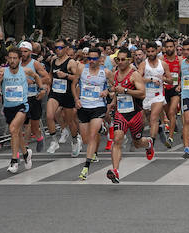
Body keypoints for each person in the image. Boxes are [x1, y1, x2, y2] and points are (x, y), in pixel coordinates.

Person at [109, 47, 155, 182]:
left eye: (123, 59)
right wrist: (113, 102)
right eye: (118, 59)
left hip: (135, 114)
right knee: (117, 139)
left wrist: (125, 90)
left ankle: (148, 143)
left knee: (137, 143)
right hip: (120, 113)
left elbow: (142, 93)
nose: (120, 62)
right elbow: (117, 91)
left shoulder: (134, 75)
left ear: (129, 60)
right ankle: (115, 171)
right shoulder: (115, 74)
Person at [0, 49, 42, 173]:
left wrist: (41, 89)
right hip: (8, 107)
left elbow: (37, 76)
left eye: (15, 58)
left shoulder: (26, 71)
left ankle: (14, 161)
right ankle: (26, 153)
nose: (12, 60)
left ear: (19, 59)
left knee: (13, 129)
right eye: (10, 58)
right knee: (17, 133)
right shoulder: (2, 71)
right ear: (7, 59)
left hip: (22, 106)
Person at [73, 46, 112, 180]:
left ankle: (86, 168)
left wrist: (107, 91)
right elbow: (74, 85)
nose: (91, 61)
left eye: (94, 59)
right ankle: (101, 128)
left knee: (91, 137)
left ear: (100, 59)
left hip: (98, 107)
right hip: (83, 106)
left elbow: (114, 87)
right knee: (85, 140)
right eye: (89, 58)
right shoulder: (81, 69)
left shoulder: (106, 72)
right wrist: (76, 99)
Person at [46, 39, 81, 155]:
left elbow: (77, 78)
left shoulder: (71, 62)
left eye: (60, 48)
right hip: (55, 93)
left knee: (70, 121)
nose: (57, 50)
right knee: (49, 115)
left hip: (67, 94)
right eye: (56, 48)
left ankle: (75, 140)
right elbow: (50, 75)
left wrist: (66, 75)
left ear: (66, 49)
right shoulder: (54, 61)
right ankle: (54, 141)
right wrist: (47, 85)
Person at [19, 41, 50, 152]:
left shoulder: (35, 63)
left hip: (33, 97)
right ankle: (25, 146)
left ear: (30, 52)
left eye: (25, 51)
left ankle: (39, 137)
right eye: (21, 51)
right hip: (20, 98)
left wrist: (33, 81)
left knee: (34, 126)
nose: (23, 54)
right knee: (24, 123)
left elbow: (47, 78)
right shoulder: (15, 63)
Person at [142, 42, 172, 147]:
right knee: (150, 120)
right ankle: (159, 129)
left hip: (158, 96)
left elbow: (171, 80)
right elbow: (137, 79)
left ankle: (151, 145)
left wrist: (164, 78)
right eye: (148, 51)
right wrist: (150, 79)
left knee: (154, 118)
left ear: (157, 51)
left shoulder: (163, 64)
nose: (150, 53)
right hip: (146, 96)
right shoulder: (143, 64)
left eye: (152, 51)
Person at [161, 38, 182, 147]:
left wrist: (180, 85)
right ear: (164, 48)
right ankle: (174, 124)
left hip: (175, 89)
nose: (169, 48)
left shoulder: (180, 60)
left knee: (172, 111)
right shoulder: (161, 60)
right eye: (167, 47)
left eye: (171, 46)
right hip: (164, 89)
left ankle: (170, 137)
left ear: (174, 47)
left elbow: (183, 75)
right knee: (168, 113)